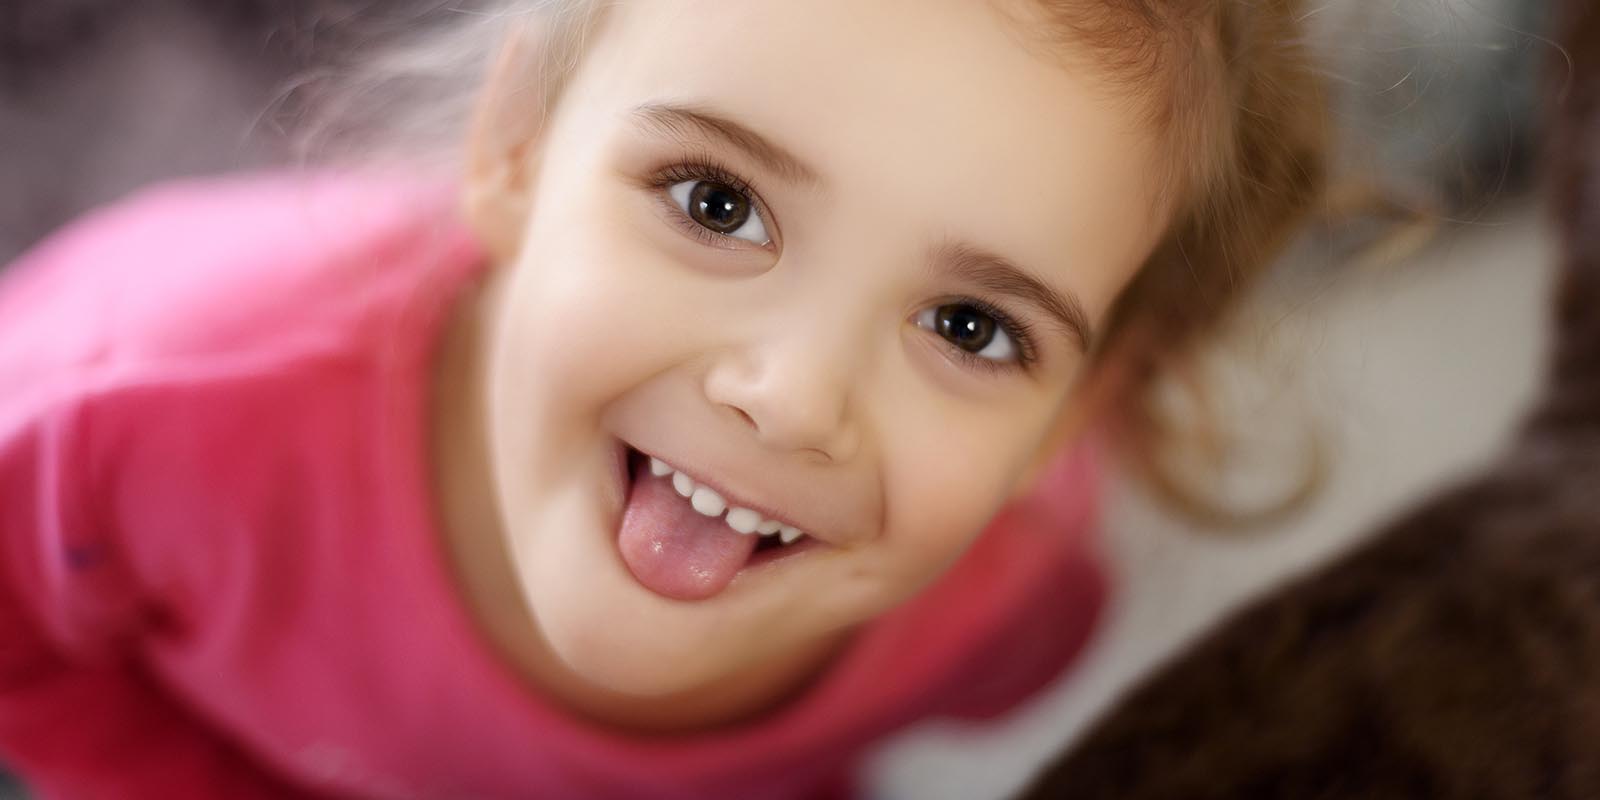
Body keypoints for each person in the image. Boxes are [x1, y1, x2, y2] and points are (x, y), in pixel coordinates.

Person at [0, 0, 1327, 796]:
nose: (794, 397)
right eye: (717, 203)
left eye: (970, 327)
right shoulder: (127, 413)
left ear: (1080, 408)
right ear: (518, 145)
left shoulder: (1010, 606)